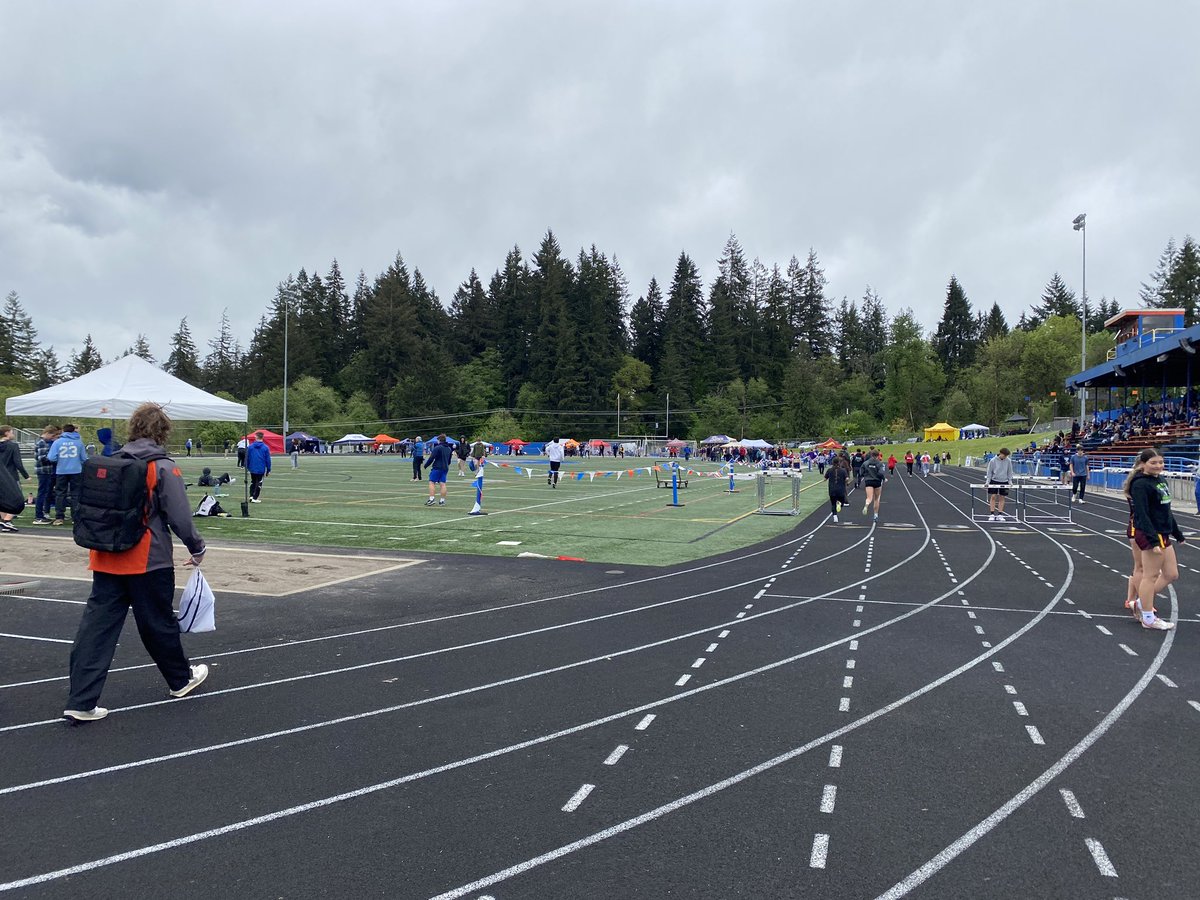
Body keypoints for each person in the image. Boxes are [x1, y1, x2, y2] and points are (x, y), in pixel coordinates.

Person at [62, 402, 209, 722]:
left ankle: (81, 700)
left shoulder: (112, 461)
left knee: (96, 630)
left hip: (105, 556)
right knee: (158, 624)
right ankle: (180, 679)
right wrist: (197, 547)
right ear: (162, 431)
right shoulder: (162, 466)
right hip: (147, 559)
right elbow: (180, 517)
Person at [1125, 448, 1180, 631]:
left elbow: (1166, 509)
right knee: (1150, 575)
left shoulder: (1160, 480)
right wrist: (1153, 540)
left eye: (1161, 462)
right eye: (1153, 463)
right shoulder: (1140, 484)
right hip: (1151, 534)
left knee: (1171, 574)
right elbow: (1142, 514)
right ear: (1143, 464)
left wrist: (1177, 533)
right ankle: (1148, 618)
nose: (1158, 466)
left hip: (1163, 532)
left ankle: (1141, 603)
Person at [48, 422, 87, 525]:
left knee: (60, 493)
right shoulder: (79, 442)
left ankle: (59, 517)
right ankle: (75, 517)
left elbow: (51, 457)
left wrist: (60, 461)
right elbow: (84, 458)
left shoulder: (57, 442)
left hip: (62, 470)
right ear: (73, 431)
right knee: (75, 494)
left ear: (63, 431)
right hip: (76, 470)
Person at [0, 425, 31, 532]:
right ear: (7, 433)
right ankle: (7, 520)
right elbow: (18, 462)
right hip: (11, 476)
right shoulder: (13, 446)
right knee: (18, 499)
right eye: (12, 432)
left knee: (2, 499)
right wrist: (26, 475)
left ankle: (4, 520)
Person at [32, 424, 61, 525]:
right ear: (48, 433)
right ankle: (38, 516)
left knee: (44, 493)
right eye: (52, 436)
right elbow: (42, 458)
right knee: (42, 493)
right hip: (43, 471)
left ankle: (41, 514)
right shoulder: (42, 443)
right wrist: (54, 458)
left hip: (46, 471)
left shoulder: (43, 442)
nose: (53, 438)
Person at [985, 447, 1014, 521]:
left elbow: (1010, 472)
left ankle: (1000, 514)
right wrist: (987, 482)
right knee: (993, 496)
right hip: (994, 480)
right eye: (1004, 455)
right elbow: (989, 472)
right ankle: (992, 514)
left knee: (1002, 497)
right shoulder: (993, 461)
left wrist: (1010, 481)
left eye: (1006, 456)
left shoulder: (1008, 461)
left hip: (1004, 481)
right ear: (1000, 453)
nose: (1005, 457)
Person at [424, 434, 453, 505]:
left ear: (439, 440)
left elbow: (431, 457)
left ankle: (431, 499)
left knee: (431, 482)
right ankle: (442, 501)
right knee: (443, 484)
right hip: (445, 468)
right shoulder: (449, 449)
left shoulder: (438, 448)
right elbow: (449, 461)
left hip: (437, 467)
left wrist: (426, 465)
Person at [861, 449, 887, 521]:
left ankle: (866, 505)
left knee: (869, 498)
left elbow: (861, 472)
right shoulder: (880, 463)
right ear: (878, 455)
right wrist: (883, 478)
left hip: (868, 481)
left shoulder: (865, 463)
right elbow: (881, 473)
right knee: (876, 498)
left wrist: (866, 476)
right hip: (877, 482)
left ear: (871, 455)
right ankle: (875, 515)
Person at [245, 432, 272, 502]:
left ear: (256, 437)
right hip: (261, 468)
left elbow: (247, 457)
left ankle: (251, 496)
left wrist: (247, 467)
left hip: (252, 467)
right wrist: (268, 469)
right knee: (259, 483)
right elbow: (268, 459)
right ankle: (255, 498)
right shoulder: (265, 447)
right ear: (262, 437)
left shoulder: (250, 447)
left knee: (253, 482)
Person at [825, 453, 850, 523]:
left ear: (832, 463)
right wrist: (847, 482)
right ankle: (839, 504)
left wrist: (826, 479)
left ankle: (835, 516)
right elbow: (847, 478)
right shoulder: (843, 470)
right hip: (841, 490)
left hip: (832, 490)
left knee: (833, 504)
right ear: (839, 463)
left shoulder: (829, 470)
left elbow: (825, 478)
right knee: (842, 501)